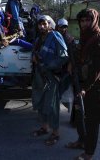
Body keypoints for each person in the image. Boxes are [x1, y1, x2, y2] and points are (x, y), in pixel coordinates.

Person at [65, 9, 100, 160]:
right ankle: (81, 141)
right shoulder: (83, 38)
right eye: (82, 21)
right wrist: (71, 64)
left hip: (93, 87)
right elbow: (79, 58)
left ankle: (89, 153)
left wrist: (85, 88)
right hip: (80, 84)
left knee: (91, 122)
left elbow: (99, 68)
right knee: (79, 116)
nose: (84, 23)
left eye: (87, 20)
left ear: (94, 20)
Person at [31, 15, 68, 146]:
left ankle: (55, 133)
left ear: (49, 24)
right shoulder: (38, 39)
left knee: (52, 105)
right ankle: (44, 127)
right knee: (40, 103)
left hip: (51, 76)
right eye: (39, 24)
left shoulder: (55, 36)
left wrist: (48, 66)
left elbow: (63, 56)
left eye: (44, 24)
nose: (41, 26)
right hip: (39, 76)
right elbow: (34, 53)